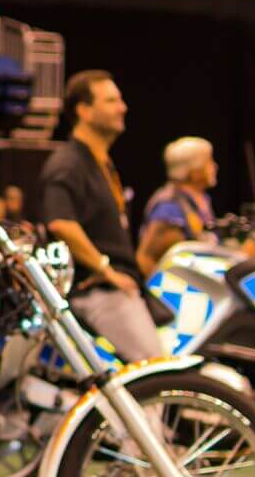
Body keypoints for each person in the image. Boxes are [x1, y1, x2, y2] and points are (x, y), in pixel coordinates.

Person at [39, 70, 166, 361]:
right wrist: (106, 269)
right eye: (111, 101)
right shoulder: (68, 163)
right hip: (100, 292)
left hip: (115, 290)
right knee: (153, 372)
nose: (123, 107)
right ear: (83, 110)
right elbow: (61, 223)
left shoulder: (100, 162)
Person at [135, 135, 219, 278]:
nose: (215, 167)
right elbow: (147, 260)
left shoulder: (201, 199)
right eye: (209, 162)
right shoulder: (169, 207)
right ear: (194, 170)